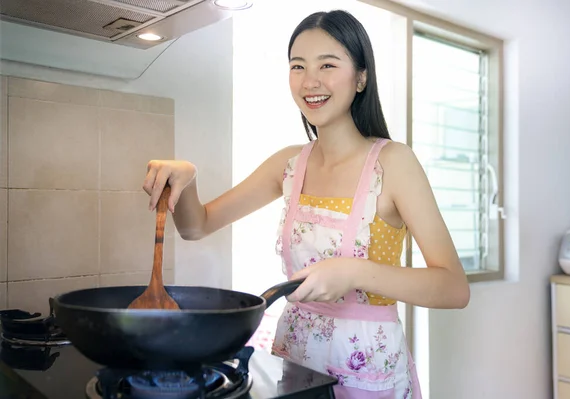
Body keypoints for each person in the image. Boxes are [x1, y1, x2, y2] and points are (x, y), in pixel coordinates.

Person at [143, 9, 470, 399]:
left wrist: (354, 272)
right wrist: (188, 177)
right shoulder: (289, 164)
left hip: (367, 373)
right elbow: (196, 226)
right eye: (298, 66)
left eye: (327, 65)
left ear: (361, 76)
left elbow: (453, 288)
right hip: (294, 363)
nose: (310, 81)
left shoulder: (393, 163)